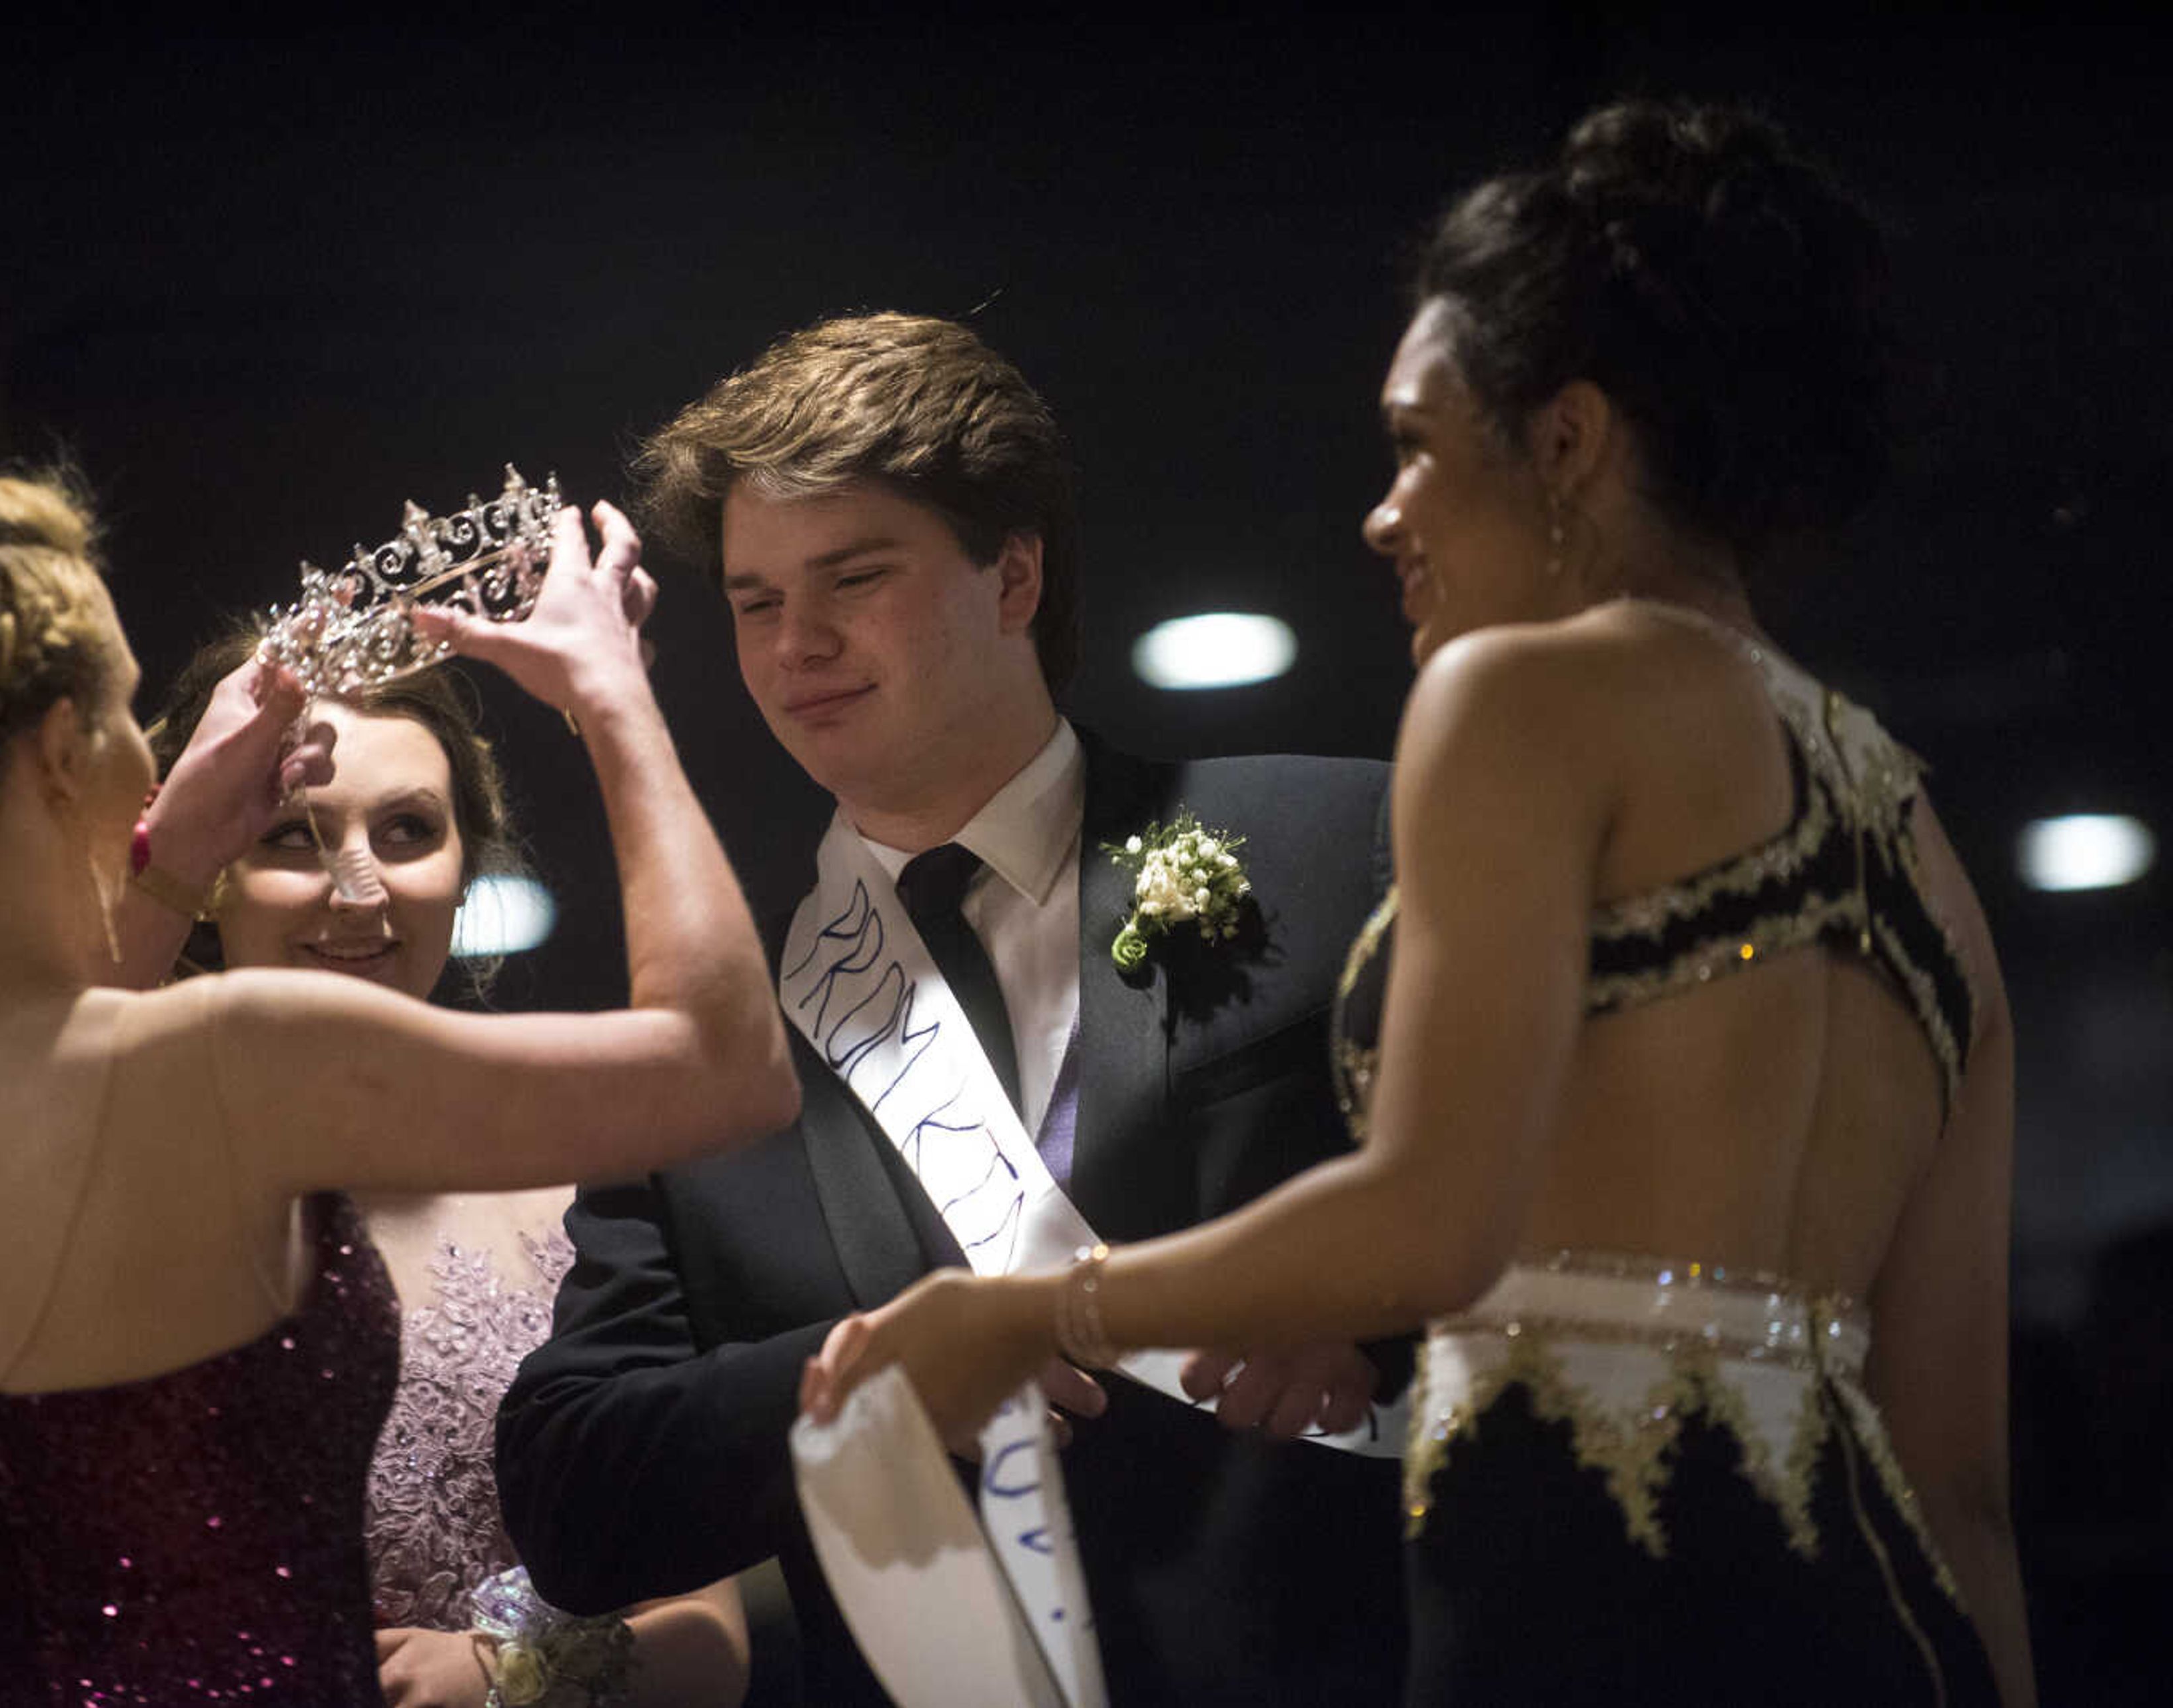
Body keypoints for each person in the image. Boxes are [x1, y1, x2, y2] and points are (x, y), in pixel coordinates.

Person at [801, 102, 2034, 1708]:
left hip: (1593, 1614)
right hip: (1885, 1636)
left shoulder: (1522, 696)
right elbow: (1964, 1476)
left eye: (1414, 444)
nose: (1384, 515)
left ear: (1569, 441)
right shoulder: (1913, 825)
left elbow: (1430, 1215)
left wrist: (1035, 1309)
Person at [0, 473, 796, 1706]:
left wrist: (170, 860)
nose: (152, 758)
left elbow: (37, 1080)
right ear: (59, 754)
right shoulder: (233, 1063)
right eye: (121, 715)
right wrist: (612, 695)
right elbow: (728, 1064)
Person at [496, 313, 1409, 1706]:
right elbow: (572, 1489)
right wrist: (875, 1383)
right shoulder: (717, 1023)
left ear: (1016, 575)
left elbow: (1607, 1224)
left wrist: (1391, 1328)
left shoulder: (1343, 843)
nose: (797, 643)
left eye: (853, 578)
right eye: (753, 602)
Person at [147, 629, 748, 1708]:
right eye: (293, 831)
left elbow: (713, 1635)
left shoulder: (584, 1190)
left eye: (410, 830)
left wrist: (503, 1675)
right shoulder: (101, 1183)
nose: (361, 891)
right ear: (207, 862)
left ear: (469, 861)